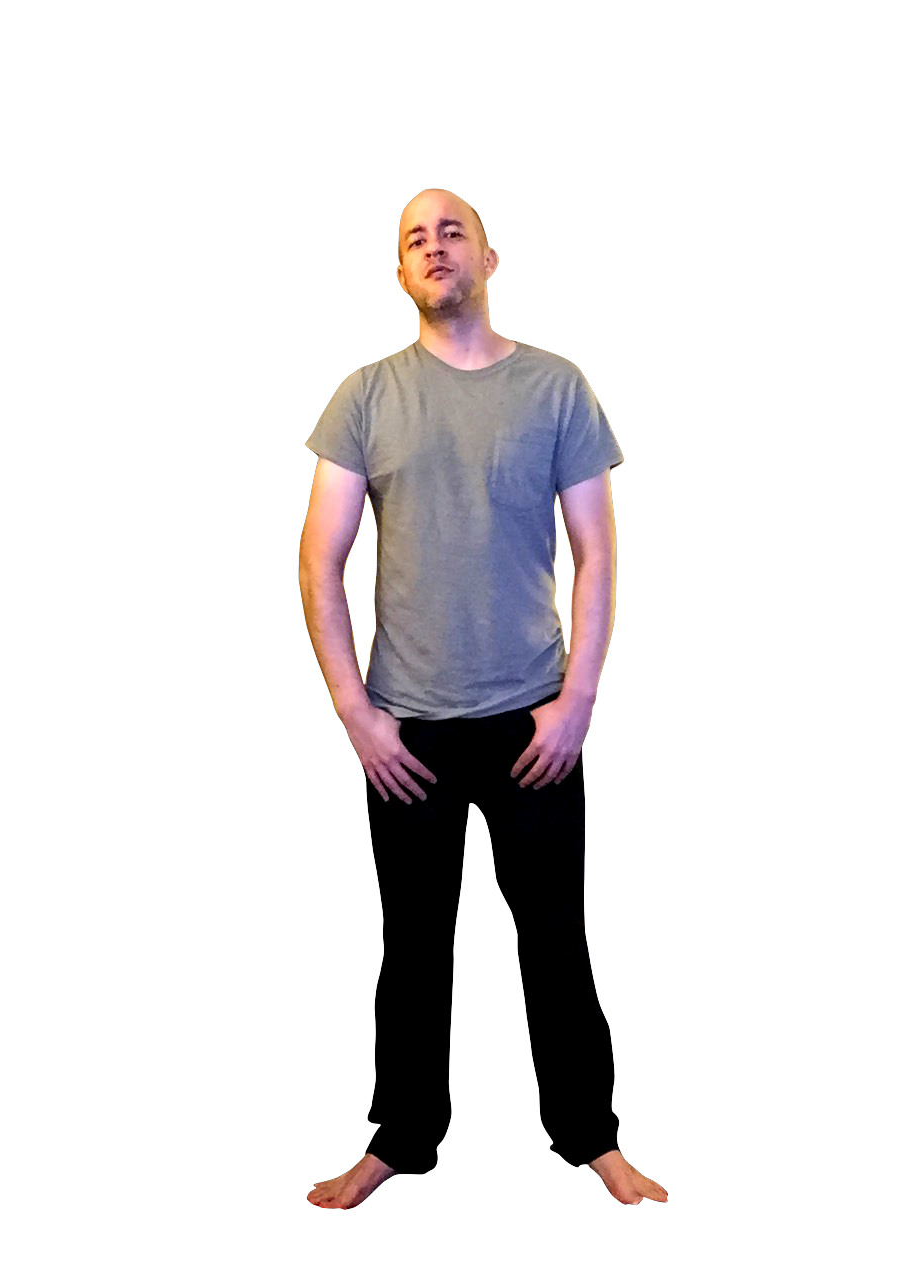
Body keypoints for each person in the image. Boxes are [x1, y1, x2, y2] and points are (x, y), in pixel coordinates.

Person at [300, 189, 667, 1211]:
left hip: (531, 724)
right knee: (408, 955)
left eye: (451, 229)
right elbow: (319, 562)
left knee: (554, 945)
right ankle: (392, 1143)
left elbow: (598, 553)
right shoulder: (366, 395)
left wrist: (578, 699)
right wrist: (357, 714)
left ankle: (595, 1140)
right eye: (413, 237)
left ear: (491, 257)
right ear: (399, 274)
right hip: (405, 732)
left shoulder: (557, 386)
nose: (433, 245)